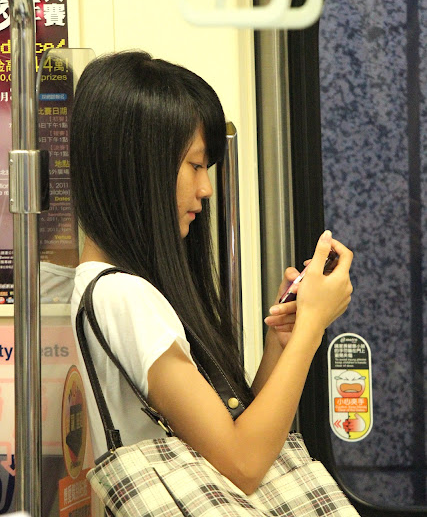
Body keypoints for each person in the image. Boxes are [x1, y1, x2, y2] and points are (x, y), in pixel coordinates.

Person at [70, 50, 353, 495]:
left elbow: (233, 435)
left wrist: (283, 343)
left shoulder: (109, 288)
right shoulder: (123, 295)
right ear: (139, 164)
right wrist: (313, 327)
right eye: (196, 166)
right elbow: (243, 465)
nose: (205, 189)